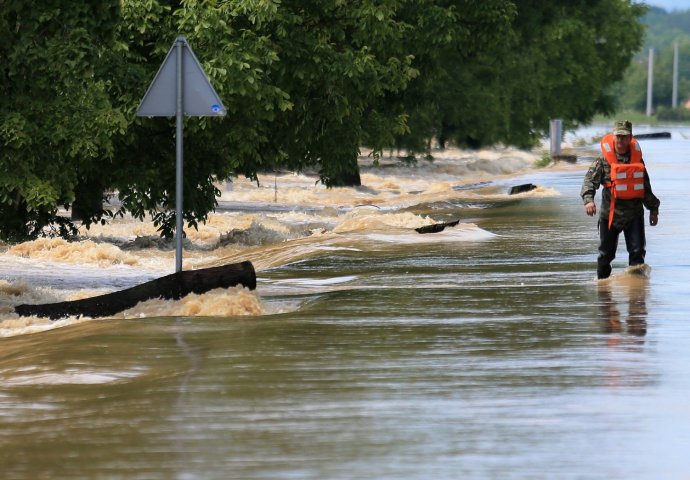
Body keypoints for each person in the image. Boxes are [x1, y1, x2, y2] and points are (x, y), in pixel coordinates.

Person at [581, 120, 660, 279]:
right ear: (613, 137)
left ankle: (636, 294)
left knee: (637, 255)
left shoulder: (638, 161)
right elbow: (589, 182)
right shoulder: (603, 161)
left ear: (630, 138)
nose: (620, 141)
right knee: (605, 257)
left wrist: (653, 209)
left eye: (624, 137)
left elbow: (645, 187)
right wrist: (589, 200)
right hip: (610, 216)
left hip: (634, 215)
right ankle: (603, 291)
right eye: (618, 137)